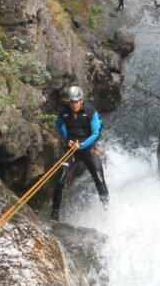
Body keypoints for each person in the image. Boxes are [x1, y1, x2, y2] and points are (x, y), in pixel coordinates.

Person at [51, 86, 109, 221]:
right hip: (72, 150)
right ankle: (54, 215)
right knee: (60, 181)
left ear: (81, 100)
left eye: (76, 101)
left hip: (88, 149)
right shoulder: (64, 113)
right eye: (71, 102)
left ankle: (107, 213)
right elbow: (58, 125)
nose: (74, 105)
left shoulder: (90, 112)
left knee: (99, 181)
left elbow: (95, 133)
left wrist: (81, 145)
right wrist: (67, 140)